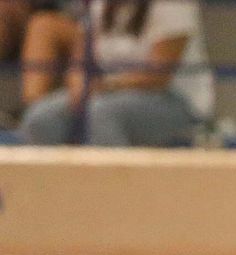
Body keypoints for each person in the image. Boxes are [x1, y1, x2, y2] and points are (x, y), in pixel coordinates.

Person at [21, 0, 211, 147]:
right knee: (41, 118)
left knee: (101, 113)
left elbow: (158, 75)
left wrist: (106, 87)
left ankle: (114, 192)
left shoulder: (174, 5)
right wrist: (79, 87)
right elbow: (81, 59)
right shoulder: (100, 4)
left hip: (172, 100)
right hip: (107, 93)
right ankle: (53, 193)